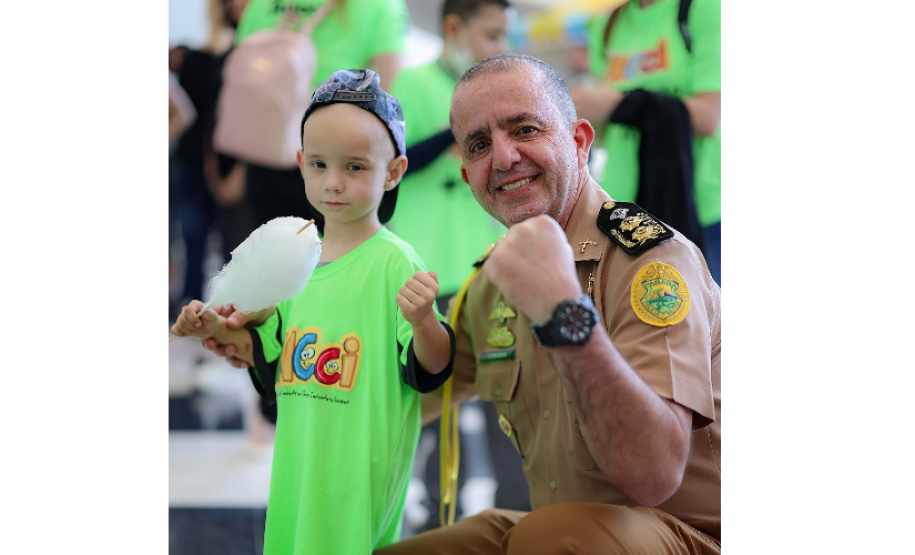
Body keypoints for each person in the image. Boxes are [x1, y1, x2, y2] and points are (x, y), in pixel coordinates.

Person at [375, 54, 721, 554]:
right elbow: (403, 398)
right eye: (478, 145)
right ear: (468, 175)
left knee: (545, 536)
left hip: (692, 535)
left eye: (525, 129)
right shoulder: (495, 279)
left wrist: (562, 313)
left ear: (579, 142)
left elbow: (653, 474)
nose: (504, 157)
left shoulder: (651, 263)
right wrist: (275, 349)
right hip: (566, 532)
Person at [171, 69, 457, 555]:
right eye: (320, 164)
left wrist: (425, 321)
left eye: (356, 167)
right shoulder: (295, 260)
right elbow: (276, 358)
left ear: (393, 172)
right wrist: (218, 328)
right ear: (300, 162)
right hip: (298, 469)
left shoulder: (394, 262)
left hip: (357, 479)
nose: (334, 182)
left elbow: (432, 367)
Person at [386, 0, 529, 528]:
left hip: (492, 272)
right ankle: (439, 519)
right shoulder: (411, 86)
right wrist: (468, 124)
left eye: (504, 37)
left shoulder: (506, 95)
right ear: (453, 28)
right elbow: (398, 163)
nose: (499, 47)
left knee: (507, 403)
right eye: (491, 35)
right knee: (437, 410)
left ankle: (520, 514)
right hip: (430, 277)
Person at [229, 0, 410, 243]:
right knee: (340, 267)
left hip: (265, 155)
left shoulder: (261, 4)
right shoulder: (381, 5)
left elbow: (244, 80)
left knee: (268, 262)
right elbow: (390, 94)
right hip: (341, 165)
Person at [570, 0, 722, 285]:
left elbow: (709, 116)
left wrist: (621, 103)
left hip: (699, 206)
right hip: (626, 211)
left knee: (706, 321)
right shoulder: (607, 24)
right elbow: (603, 133)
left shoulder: (704, 8)